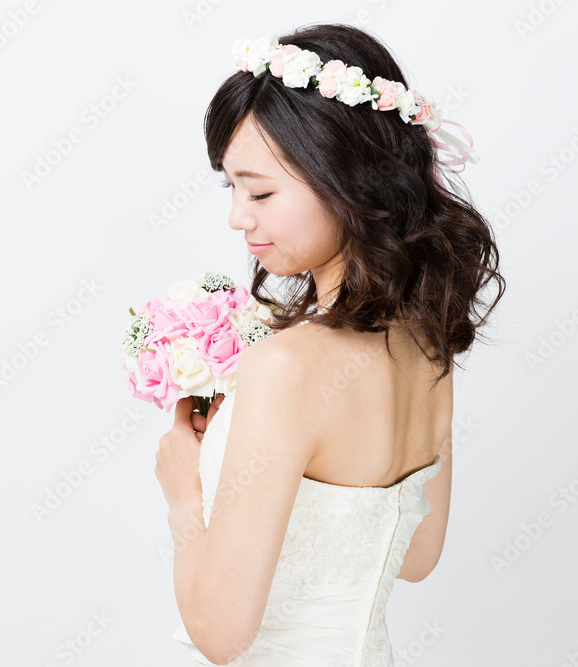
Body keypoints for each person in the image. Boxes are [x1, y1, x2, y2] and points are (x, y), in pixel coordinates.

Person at [154, 23, 505, 666]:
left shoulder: (284, 366)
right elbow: (417, 554)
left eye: (260, 191)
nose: (238, 215)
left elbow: (221, 635)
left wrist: (184, 494)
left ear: (350, 182)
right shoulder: (429, 345)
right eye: (230, 188)